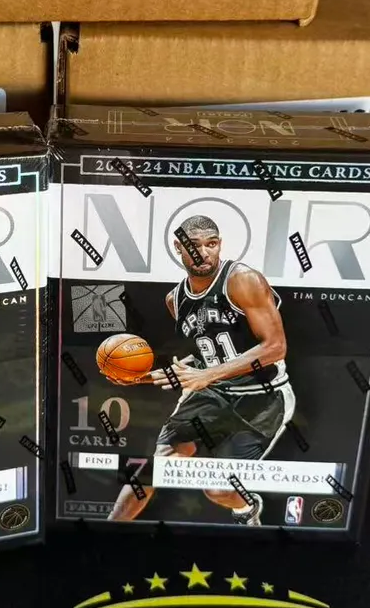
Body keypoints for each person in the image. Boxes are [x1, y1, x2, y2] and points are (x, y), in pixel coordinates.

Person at [108, 215, 294, 524]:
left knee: (218, 490)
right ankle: (107, 533)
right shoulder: (176, 300)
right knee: (154, 469)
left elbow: (275, 347)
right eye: (194, 245)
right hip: (214, 392)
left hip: (262, 397)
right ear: (178, 248)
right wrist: (145, 377)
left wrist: (206, 375)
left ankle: (247, 508)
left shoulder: (242, 280)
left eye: (212, 243)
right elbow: (206, 354)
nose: (204, 252)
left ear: (220, 245)